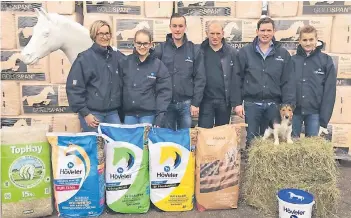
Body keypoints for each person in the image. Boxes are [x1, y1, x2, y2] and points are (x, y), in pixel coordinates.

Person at [231, 17, 296, 148]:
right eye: (262, 30)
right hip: (252, 105)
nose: (265, 33)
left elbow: (288, 81)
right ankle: (251, 168)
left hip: (274, 105)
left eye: (268, 30)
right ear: (257, 31)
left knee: (271, 141)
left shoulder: (283, 54)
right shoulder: (245, 52)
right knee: (252, 139)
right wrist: (237, 103)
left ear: (274, 31)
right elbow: (237, 78)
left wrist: (289, 105)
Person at [66, 20, 125, 132]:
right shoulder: (84, 59)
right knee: (96, 147)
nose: (105, 37)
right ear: (94, 35)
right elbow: (74, 88)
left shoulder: (117, 56)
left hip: (112, 113)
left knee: (116, 146)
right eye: (100, 33)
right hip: (93, 114)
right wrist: (85, 113)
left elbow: (132, 64)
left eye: (107, 33)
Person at [154, 13, 206, 130]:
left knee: (185, 139)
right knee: (168, 141)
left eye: (180, 26)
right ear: (170, 27)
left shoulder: (193, 49)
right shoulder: (160, 49)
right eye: (175, 26)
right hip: (166, 104)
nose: (177, 29)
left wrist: (196, 103)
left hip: (186, 105)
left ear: (185, 27)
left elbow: (200, 77)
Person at [119, 29, 172, 126]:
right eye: (139, 43)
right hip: (129, 115)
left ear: (151, 44)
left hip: (148, 116)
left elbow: (164, 92)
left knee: (145, 141)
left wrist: (159, 117)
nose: (142, 47)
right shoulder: (126, 62)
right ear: (134, 43)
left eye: (145, 43)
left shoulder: (158, 65)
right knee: (129, 141)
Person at [291, 25, 336, 137]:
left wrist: (324, 120)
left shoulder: (326, 61)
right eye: (304, 40)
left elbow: (329, 92)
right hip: (294, 113)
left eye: (311, 39)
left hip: (315, 113)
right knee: (291, 149)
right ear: (299, 41)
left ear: (316, 40)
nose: (308, 43)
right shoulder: (292, 61)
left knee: (311, 149)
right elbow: (286, 87)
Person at [197, 20, 237, 128]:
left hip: (224, 101)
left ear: (223, 34)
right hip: (206, 101)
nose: (215, 37)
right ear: (207, 34)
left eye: (218, 33)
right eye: (212, 33)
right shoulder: (200, 51)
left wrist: (236, 102)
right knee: (204, 134)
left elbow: (236, 78)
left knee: (222, 135)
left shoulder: (232, 53)